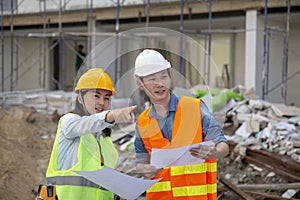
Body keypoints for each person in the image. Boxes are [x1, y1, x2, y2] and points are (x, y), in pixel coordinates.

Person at [133, 49, 229, 200]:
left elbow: (222, 145)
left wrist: (215, 152)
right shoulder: (143, 122)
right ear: (140, 83)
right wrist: (143, 169)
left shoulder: (195, 108)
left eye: (164, 77)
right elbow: (140, 161)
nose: (160, 84)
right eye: (152, 79)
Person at [46, 68, 137, 200]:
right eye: (96, 96)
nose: (102, 102)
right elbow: (87, 124)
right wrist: (112, 115)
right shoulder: (69, 122)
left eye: (106, 98)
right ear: (80, 98)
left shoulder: (103, 138)